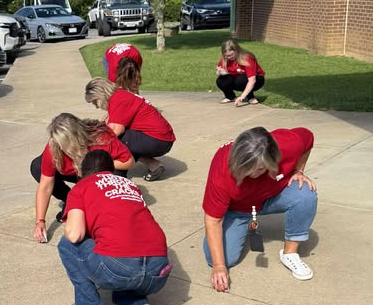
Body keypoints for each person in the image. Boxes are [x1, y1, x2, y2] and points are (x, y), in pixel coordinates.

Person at [57, 149, 172, 305]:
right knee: (124, 281)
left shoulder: (82, 186)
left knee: (67, 244)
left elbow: (75, 234)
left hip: (119, 267)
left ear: (82, 173)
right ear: (111, 170)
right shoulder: (130, 185)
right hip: (158, 271)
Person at [203, 126, 317, 291]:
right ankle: (238, 226)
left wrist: (299, 170)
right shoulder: (222, 168)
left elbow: (308, 138)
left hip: (272, 196)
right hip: (238, 208)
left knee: (305, 193)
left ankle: (290, 254)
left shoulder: (289, 143)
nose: (252, 174)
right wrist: (219, 266)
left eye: (260, 168)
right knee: (218, 259)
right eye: (246, 169)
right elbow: (213, 220)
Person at [30, 113, 134, 243]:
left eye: (65, 144)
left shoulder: (101, 138)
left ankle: (102, 210)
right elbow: (45, 186)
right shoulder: (54, 147)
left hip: (97, 173)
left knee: (116, 177)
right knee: (37, 167)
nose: (62, 149)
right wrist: (40, 221)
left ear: (77, 136)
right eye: (59, 144)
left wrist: (99, 165)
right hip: (78, 173)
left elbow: (129, 162)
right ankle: (71, 201)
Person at [85, 77, 175, 182]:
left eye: (95, 102)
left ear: (100, 95)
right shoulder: (120, 95)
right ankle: (154, 165)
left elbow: (114, 131)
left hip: (158, 140)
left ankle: (119, 177)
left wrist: (91, 145)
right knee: (126, 138)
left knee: (116, 140)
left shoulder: (118, 100)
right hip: (161, 138)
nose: (96, 106)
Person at [215, 38, 265, 106]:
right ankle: (230, 97)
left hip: (256, 79)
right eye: (226, 56)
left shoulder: (247, 58)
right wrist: (220, 72)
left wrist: (242, 97)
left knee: (241, 80)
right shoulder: (225, 59)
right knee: (220, 80)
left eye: (231, 55)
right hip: (238, 78)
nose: (229, 57)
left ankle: (251, 97)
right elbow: (219, 73)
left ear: (237, 51)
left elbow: (252, 81)